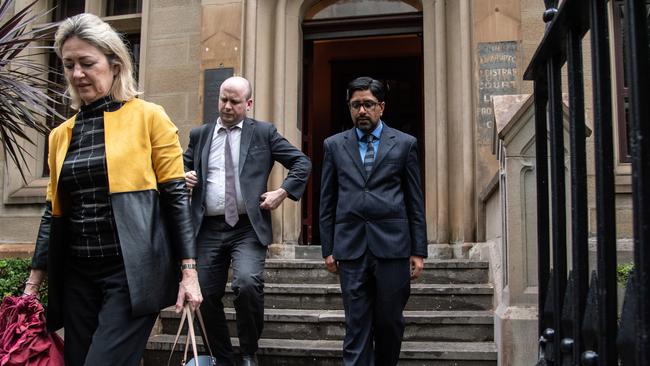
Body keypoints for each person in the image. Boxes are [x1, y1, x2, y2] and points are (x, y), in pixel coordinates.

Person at [22, 13, 202, 366]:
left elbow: (176, 197)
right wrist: (32, 285)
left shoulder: (149, 117)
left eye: (87, 63)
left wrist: (189, 272)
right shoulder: (60, 135)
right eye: (69, 64)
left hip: (131, 273)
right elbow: (52, 213)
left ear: (115, 64)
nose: (77, 74)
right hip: (77, 275)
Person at [184, 76, 311, 366]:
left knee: (247, 283)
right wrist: (184, 175)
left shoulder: (264, 133)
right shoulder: (200, 134)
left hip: (247, 227)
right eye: (223, 99)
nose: (226, 106)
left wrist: (282, 192)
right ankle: (222, 357)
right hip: (208, 228)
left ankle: (249, 352)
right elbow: (182, 165)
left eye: (235, 101)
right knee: (203, 294)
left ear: (249, 104)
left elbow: (301, 162)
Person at [319, 76, 428, 366]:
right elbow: (327, 200)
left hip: (393, 247)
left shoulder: (405, 144)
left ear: (381, 107)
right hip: (351, 248)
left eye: (368, 104)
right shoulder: (334, 146)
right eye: (356, 105)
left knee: (390, 322)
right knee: (356, 324)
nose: (361, 111)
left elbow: (414, 200)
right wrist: (328, 247)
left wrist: (418, 250)